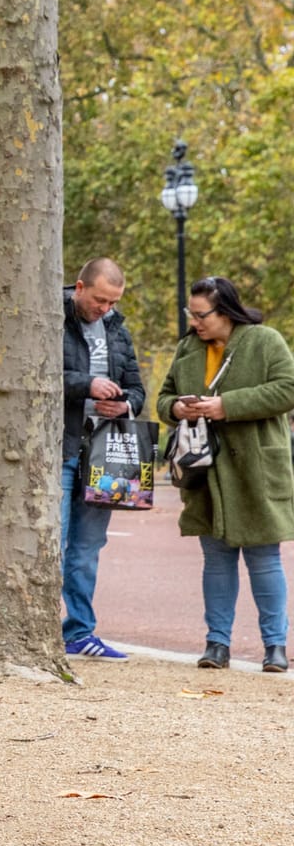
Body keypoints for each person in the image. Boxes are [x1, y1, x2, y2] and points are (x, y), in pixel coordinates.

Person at [157, 276, 294, 673]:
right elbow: (164, 398)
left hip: (255, 468)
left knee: (263, 559)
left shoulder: (264, 341)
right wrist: (177, 409)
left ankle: (275, 646)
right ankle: (216, 643)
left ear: (226, 311)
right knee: (216, 561)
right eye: (191, 313)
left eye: (201, 315)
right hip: (206, 470)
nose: (194, 322)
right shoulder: (188, 347)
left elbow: (287, 389)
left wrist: (226, 405)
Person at [59, 257, 144, 663]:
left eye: (113, 302)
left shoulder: (117, 329)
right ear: (79, 288)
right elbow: (35, 375)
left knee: (87, 548)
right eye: (99, 300)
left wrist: (125, 405)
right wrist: (87, 386)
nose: (105, 309)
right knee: (53, 542)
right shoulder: (51, 318)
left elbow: (137, 388)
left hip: (103, 453)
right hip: (60, 447)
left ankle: (79, 631)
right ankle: (39, 627)